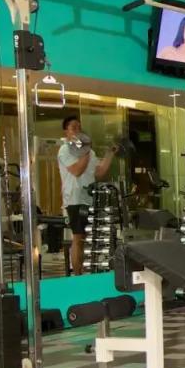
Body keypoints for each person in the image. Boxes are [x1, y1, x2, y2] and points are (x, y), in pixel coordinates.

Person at [58, 116, 114, 275]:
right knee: (78, 237)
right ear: (66, 132)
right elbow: (77, 171)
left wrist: (110, 154)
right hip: (74, 199)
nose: (78, 131)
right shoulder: (65, 150)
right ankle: (77, 275)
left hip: (90, 198)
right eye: (73, 128)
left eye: (79, 127)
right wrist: (85, 152)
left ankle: (90, 272)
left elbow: (99, 172)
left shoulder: (89, 152)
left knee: (90, 237)